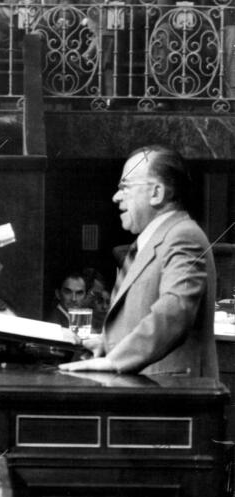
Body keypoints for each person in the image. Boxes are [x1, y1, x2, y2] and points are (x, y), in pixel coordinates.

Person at [60, 145, 218, 377]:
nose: (116, 197)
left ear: (156, 193)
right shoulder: (151, 241)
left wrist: (116, 360)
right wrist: (108, 343)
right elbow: (140, 313)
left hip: (173, 398)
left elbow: (175, 312)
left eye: (125, 187)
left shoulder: (183, 237)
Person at [147, 0, 233, 100]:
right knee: (162, 31)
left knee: (231, 33)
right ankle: (164, 96)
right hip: (177, 27)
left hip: (210, 29)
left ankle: (229, 96)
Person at [77, 0, 145, 99]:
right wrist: (88, 21)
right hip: (93, 34)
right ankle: (110, 96)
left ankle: (92, 51)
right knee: (108, 35)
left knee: (111, 26)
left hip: (129, 37)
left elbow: (143, 12)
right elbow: (79, 11)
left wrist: (123, 19)